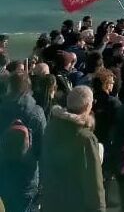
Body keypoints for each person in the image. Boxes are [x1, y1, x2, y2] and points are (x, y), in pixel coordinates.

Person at [41, 85, 106, 212]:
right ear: (88, 106)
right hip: (76, 204)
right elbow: (93, 180)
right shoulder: (86, 138)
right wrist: (99, 208)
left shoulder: (52, 127)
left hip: (51, 200)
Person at [0, 72, 47, 212]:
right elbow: (43, 149)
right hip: (28, 175)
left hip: (4, 172)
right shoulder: (36, 112)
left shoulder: (2, 110)